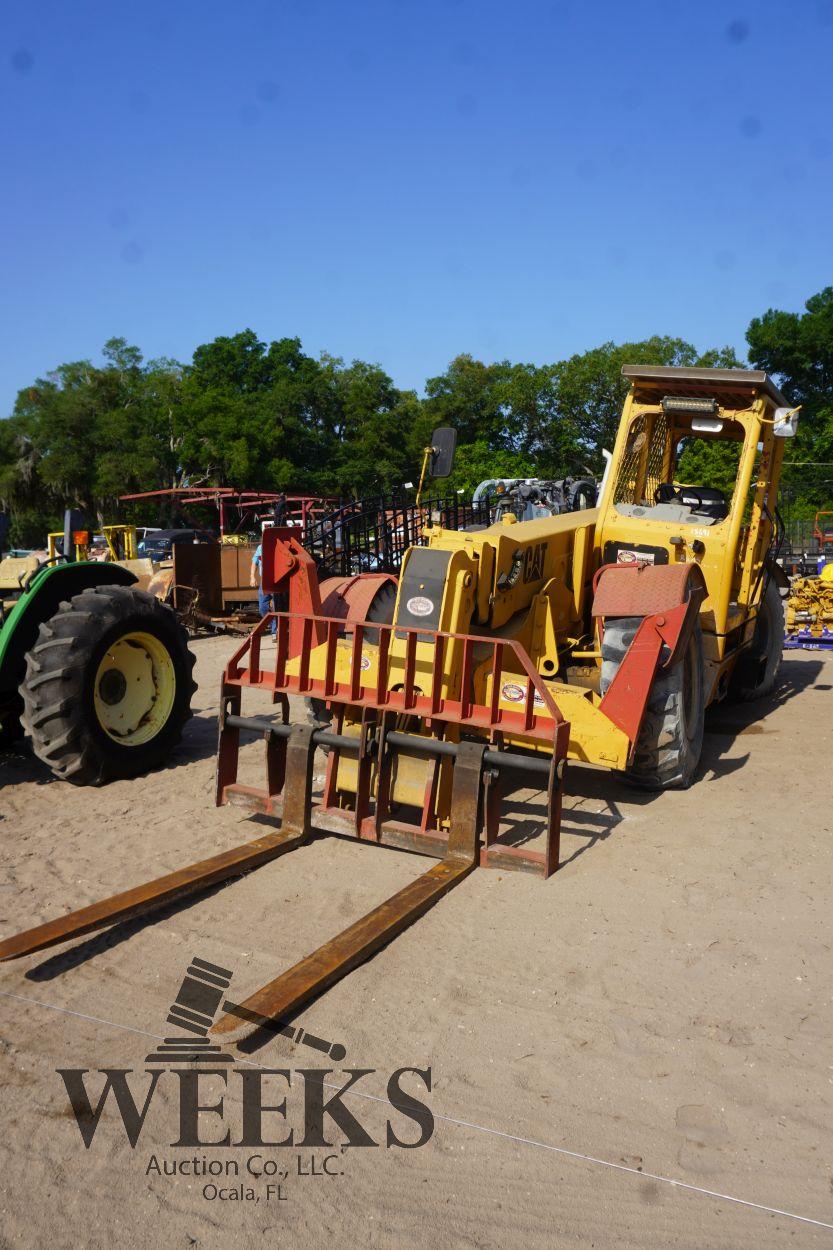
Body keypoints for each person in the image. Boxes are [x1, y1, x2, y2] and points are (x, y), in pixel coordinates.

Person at [250, 521, 277, 637]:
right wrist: (252, 576)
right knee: (263, 608)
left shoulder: (279, 547)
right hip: (265, 582)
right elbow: (254, 562)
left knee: (277, 606)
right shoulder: (261, 548)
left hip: (278, 582)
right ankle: (274, 625)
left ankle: (275, 632)